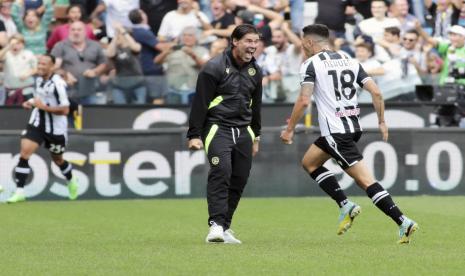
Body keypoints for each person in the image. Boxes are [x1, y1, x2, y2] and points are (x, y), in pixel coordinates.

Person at [280, 24, 418, 244]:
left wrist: (289, 129)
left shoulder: (310, 65)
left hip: (337, 133)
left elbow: (304, 100)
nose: (302, 46)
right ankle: (345, 205)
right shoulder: (350, 60)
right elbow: (376, 91)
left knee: (366, 182)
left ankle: (403, 222)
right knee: (309, 162)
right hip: (351, 129)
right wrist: (382, 121)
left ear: (308, 42)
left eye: (302, 42)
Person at [187, 24, 262, 244]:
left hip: (244, 131)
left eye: (256, 42)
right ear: (235, 41)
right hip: (218, 128)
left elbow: (256, 106)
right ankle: (216, 226)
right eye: (248, 41)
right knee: (222, 171)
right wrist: (193, 135)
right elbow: (199, 104)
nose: (253, 46)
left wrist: (256, 136)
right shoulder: (213, 67)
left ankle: (226, 226)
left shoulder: (256, 70)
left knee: (239, 178)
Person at [7, 54, 79, 203]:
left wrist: (44, 107)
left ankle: (71, 179)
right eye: (39, 64)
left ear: (52, 66)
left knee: (58, 160)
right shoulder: (39, 79)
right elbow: (40, 99)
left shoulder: (58, 85)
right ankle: (20, 191)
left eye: (44, 64)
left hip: (56, 129)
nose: (40, 67)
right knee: (24, 153)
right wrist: (30, 102)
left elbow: (65, 110)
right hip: (37, 123)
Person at [51, 21, 107, 105]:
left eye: (79, 30)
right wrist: (65, 74)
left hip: (91, 88)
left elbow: (104, 63)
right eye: (73, 30)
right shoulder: (60, 46)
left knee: (92, 115)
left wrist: (95, 71)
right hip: (68, 89)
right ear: (69, 32)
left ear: (85, 31)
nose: (76, 32)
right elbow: (53, 67)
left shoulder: (95, 45)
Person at [106, 23, 146, 104]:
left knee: (139, 107)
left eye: (119, 36)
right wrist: (116, 36)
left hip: (137, 84)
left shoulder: (133, 47)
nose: (118, 38)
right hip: (119, 85)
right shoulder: (115, 50)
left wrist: (123, 31)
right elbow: (109, 54)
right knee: (120, 109)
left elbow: (136, 48)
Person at [0, 34, 37, 106]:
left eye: (18, 43)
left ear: (23, 44)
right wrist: (8, 46)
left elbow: (35, 68)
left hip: (27, 89)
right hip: (10, 90)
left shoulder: (29, 54)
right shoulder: (6, 54)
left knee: (30, 111)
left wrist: (28, 74)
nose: (15, 46)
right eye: (13, 44)